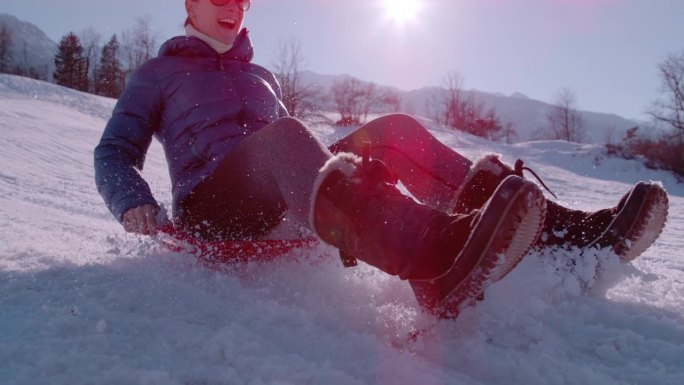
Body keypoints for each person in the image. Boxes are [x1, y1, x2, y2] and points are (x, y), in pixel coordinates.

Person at [95, 0, 669, 318]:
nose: (234, 7)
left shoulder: (261, 75)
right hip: (214, 207)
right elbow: (114, 150)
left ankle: (565, 239)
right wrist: (133, 202)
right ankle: (433, 258)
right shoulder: (158, 74)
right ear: (188, 5)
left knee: (393, 129)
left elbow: (295, 149)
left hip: (284, 193)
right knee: (285, 136)